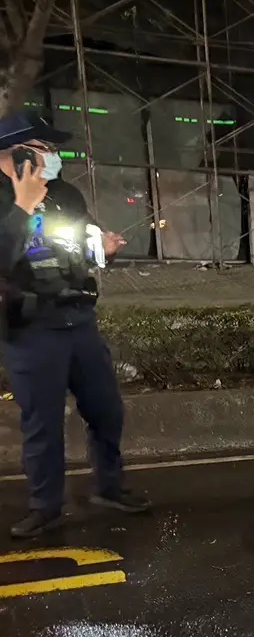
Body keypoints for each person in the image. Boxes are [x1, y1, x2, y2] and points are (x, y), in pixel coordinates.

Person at [0, 110, 149, 539]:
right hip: (29, 328)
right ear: (16, 153)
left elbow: (80, 246)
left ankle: (110, 486)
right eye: (44, 147)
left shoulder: (65, 193)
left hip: (79, 318)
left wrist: (102, 248)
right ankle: (44, 506)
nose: (54, 155)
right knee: (43, 423)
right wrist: (22, 205)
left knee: (106, 410)